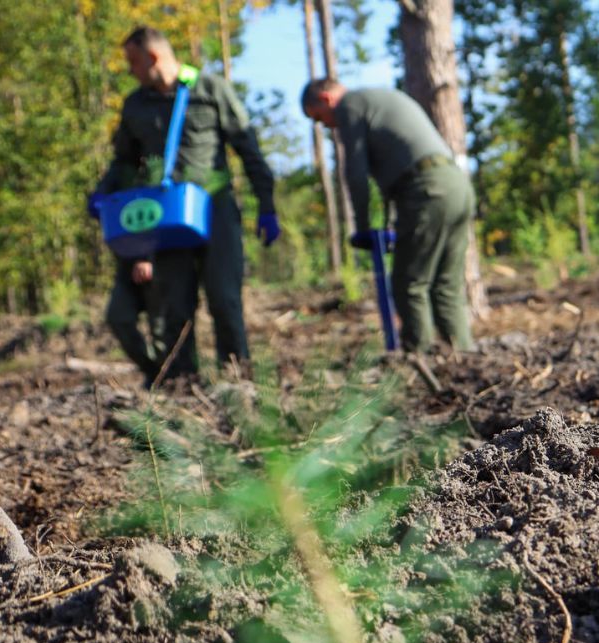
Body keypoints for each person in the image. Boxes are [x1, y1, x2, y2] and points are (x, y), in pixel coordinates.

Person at [92, 26, 280, 381]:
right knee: (172, 307)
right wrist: (104, 190)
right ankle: (182, 386)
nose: (130, 70)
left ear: (153, 57)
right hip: (165, 217)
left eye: (133, 62)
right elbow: (124, 162)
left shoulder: (210, 90)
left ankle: (238, 380)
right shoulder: (136, 105)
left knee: (224, 299)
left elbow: (247, 146)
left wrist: (266, 204)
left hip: (214, 209)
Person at [300, 78, 474, 353]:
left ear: (325, 99)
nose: (328, 126)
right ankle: (465, 359)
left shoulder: (350, 105)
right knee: (445, 284)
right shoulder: (376, 98)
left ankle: (418, 363)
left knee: (409, 283)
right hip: (456, 186)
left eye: (321, 119)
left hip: (427, 191)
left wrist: (362, 227)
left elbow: (355, 172)